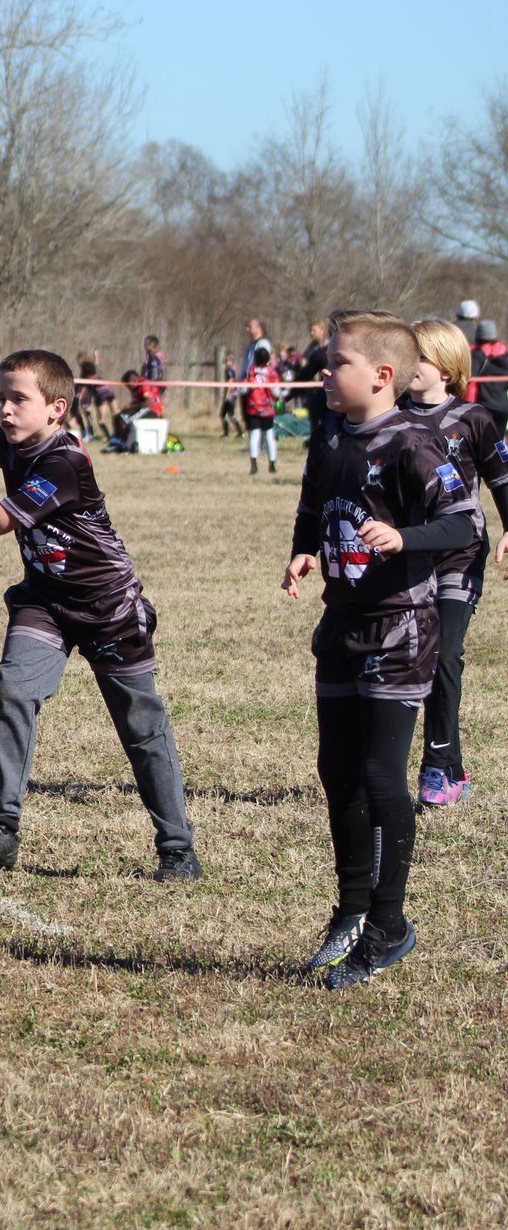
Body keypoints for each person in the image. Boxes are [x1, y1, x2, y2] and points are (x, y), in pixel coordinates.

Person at [0, 349, 198, 882]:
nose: (6, 410)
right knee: (12, 688)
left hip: (108, 608)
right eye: (2, 398)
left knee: (140, 725)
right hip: (45, 600)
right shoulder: (11, 439)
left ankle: (177, 849)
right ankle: (0, 828)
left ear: (56, 408)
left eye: (19, 400)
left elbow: (0, 523)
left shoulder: (64, 461)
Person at [282, 310, 477, 988]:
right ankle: (353, 909)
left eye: (337, 362)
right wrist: (304, 552)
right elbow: (313, 504)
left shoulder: (412, 444)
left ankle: (389, 924)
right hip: (342, 623)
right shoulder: (331, 436)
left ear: (381, 375)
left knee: (378, 774)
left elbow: (464, 522)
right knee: (336, 769)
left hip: (399, 630)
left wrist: (405, 539)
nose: (323, 371)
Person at [398, 318, 508, 807]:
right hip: (408, 555)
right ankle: (455, 766)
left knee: (444, 652)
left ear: (444, 364)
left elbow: (502, 481)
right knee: (416, 659)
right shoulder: (391, 418)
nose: (407, 367)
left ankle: (436, 767)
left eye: (416, 357)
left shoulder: (474, 419)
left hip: (462, 554)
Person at [242, 346, 281, 475]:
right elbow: (276, 392)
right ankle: (272, 463)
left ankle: (254, 465)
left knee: (255, 436)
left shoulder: (251, 371)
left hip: (253, 408)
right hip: (267, 410)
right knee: (269, 436)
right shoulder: (272, 372)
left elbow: (244, 389)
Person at [107, 369, 163, 452]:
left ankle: (122, 443)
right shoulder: (135, 388)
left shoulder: (144, 384)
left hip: (151, 410)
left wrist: (130, 407)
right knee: (118, 416)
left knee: (125, 420)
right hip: (142, 409)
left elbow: (148, 402)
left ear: (133, 381)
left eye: (128, 386)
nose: (128, 389)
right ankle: (116, 439)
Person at [469, 320, 508, 435]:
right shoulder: (505, 355)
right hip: (502, 408)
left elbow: (470, 376)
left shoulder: (478, 354)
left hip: (483, 407)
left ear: (478, 336)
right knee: (497, 445)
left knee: (481, 446)